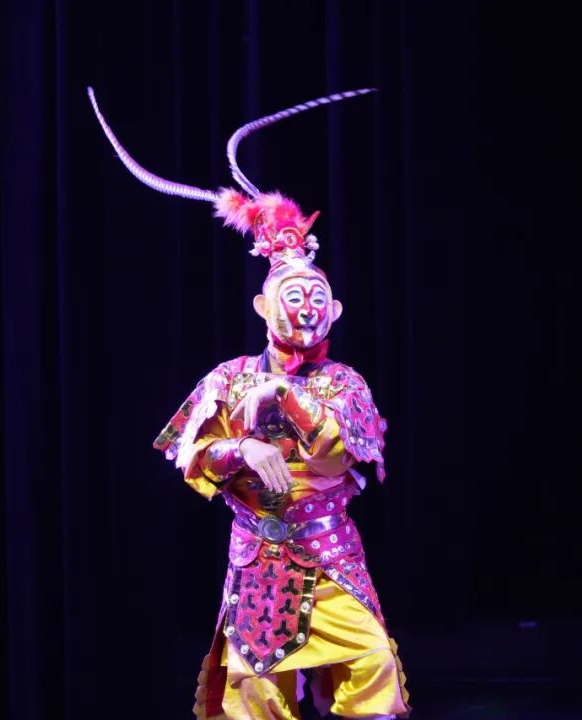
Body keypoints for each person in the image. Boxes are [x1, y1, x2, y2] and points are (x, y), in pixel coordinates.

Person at [89, 87, 411, 720]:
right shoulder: (228, 378)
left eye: (317, 299)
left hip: (330, 550)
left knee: (373, 664)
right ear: (263, 307)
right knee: (256, 693)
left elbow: (342, 454)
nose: (306, 309)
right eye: (293, 297)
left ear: (335, 311)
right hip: (261, 561)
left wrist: (285, 396)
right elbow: (191, 457)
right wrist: (241, 447)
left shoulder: (345, 382)